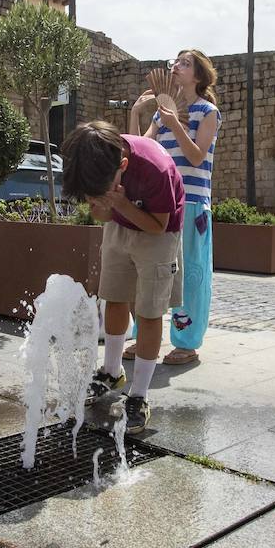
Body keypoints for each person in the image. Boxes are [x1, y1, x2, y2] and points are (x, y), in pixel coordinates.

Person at [62, 120, 185, 434]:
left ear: (124, 165)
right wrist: (104, 205)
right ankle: (111, 372)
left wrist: (120, 203)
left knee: (148, 311)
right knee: (113, 297)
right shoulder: (96, 166)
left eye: (98, 191)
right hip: (119, 226)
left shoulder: (156, 168)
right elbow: (102, 214)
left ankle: (140, 394)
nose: (95, 197)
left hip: (158, 234)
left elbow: (158, 225)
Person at [127, 49, 221, 365]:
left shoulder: (208, 112)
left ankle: (186, 343)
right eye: (175, 62)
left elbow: (196, 156)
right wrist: (137, 114)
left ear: (198, 75)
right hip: (160, 203)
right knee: (149, 270)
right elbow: (142, 152)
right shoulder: (160, 113)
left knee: (191, 274)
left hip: (193, 204)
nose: (176, 67)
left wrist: (174, 123)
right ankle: (143, 338)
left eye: (185, 63)